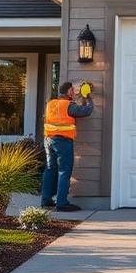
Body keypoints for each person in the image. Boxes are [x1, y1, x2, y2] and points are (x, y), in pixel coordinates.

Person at [40, 81, 93, 211]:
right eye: (73, 91)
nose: (74, 93)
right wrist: (87, 96)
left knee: (50, 169)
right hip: (62, 141)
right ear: (69, 91)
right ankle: (62, 203)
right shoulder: (69, 105)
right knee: (64, 171)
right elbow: (87, 110)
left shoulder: (50, 104)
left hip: (48, 140)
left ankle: (46, 200)